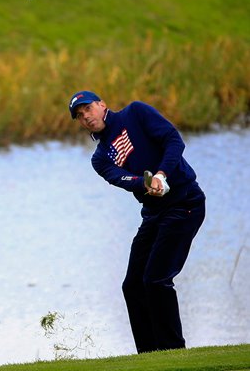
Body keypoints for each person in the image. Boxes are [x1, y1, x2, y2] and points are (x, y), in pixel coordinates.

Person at [68, 90, 206, 353]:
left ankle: (173, 352)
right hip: (154, 213)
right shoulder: (100, 158)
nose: (85, 116)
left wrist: (162, 174)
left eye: (88, 108)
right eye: (79, 115)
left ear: (102, 104)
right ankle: (148, 355)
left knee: (156, 280)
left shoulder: (136, 113)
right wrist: (146, 182)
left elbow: (173, 141)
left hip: (184, 203)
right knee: (132, 285)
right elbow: (121, 178)